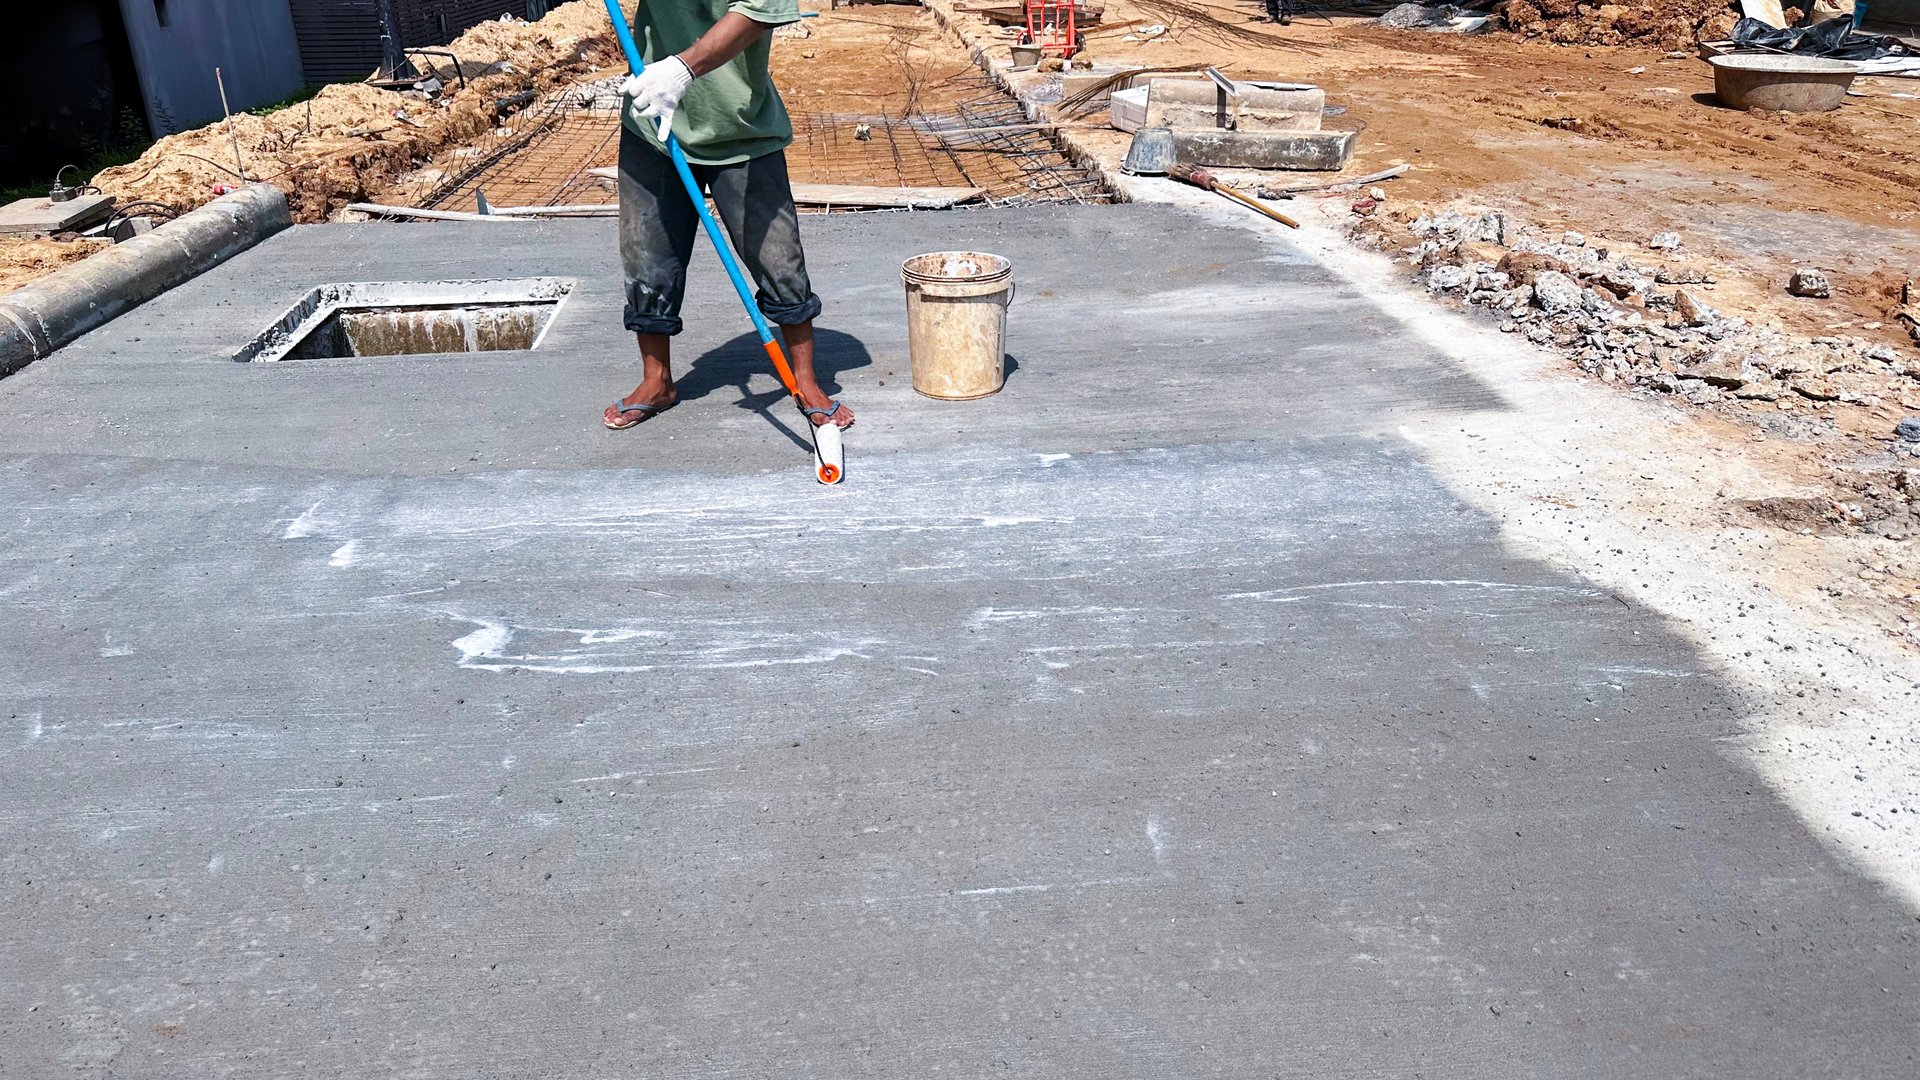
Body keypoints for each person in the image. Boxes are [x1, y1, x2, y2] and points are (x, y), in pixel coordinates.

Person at [603, 0, 853, 435]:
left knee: (778, 257)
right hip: (653, 121)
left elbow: (756, 14)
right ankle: (656, 380)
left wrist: (681, 70)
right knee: (647, 257)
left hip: (740, 125)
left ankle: (807, 382)